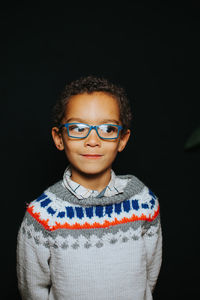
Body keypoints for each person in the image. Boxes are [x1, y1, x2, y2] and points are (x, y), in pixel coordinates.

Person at [17, 75, 162, 300]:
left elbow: (148, 276)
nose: (92, 140)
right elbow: (32, 289)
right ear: (59, 137)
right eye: (77, 127)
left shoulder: (143, 202)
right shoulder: (43, 215)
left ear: (122, 139)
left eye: (108, 129)